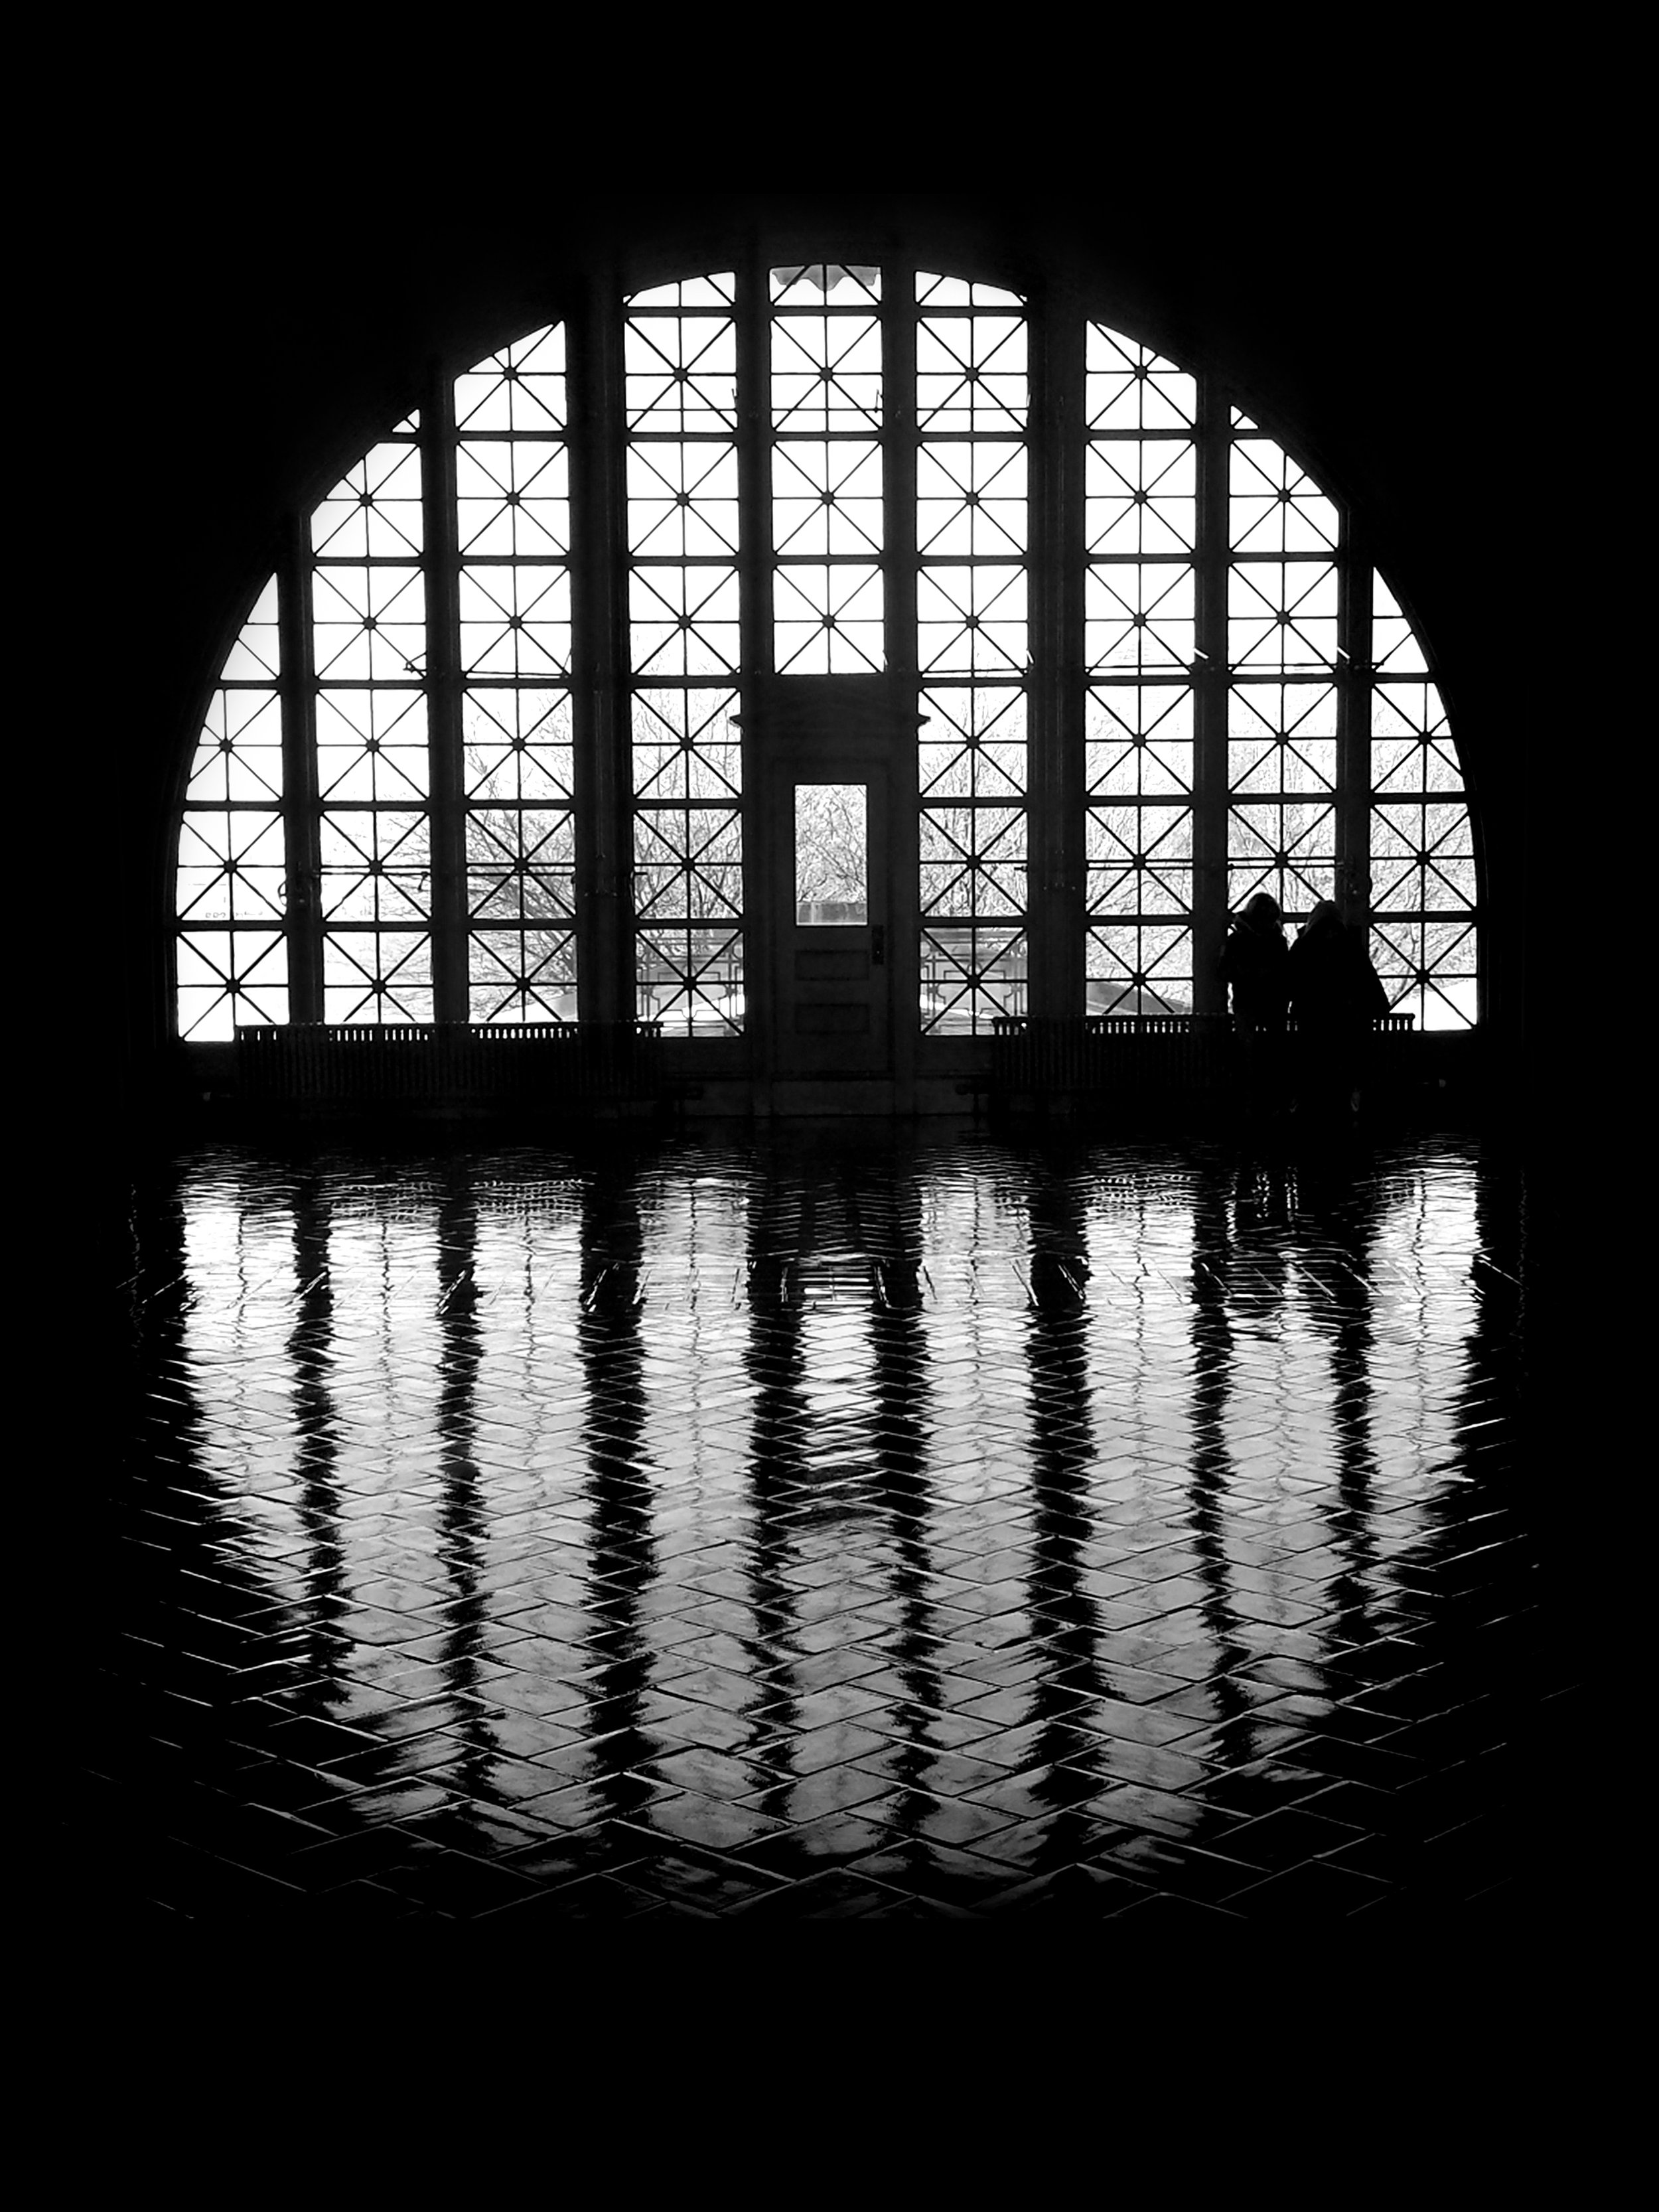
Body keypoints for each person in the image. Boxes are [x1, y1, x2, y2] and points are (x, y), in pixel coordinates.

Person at [1287, 899, 1390, 1122]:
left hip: (1312, 1016)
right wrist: (1379, 1007)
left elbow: (1289, 980)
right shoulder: (1350, 945)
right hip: (1346, 1017)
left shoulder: (1303, 946)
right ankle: (1345, 1111)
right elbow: (1367, 979)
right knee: (1345, 1064)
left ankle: (1311, 1111)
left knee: (1313, 1065)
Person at [1219, 893, 1289, 1120]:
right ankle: (1275, 1103)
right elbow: (1286, 973)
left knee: (1247, 1057)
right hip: (1272, 1004)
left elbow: (1223, 971)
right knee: (1276, 1056)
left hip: (1246, 1002)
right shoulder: (1277, 942)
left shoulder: (1237, 941)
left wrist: (1245, 974)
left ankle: (1248, 1105)